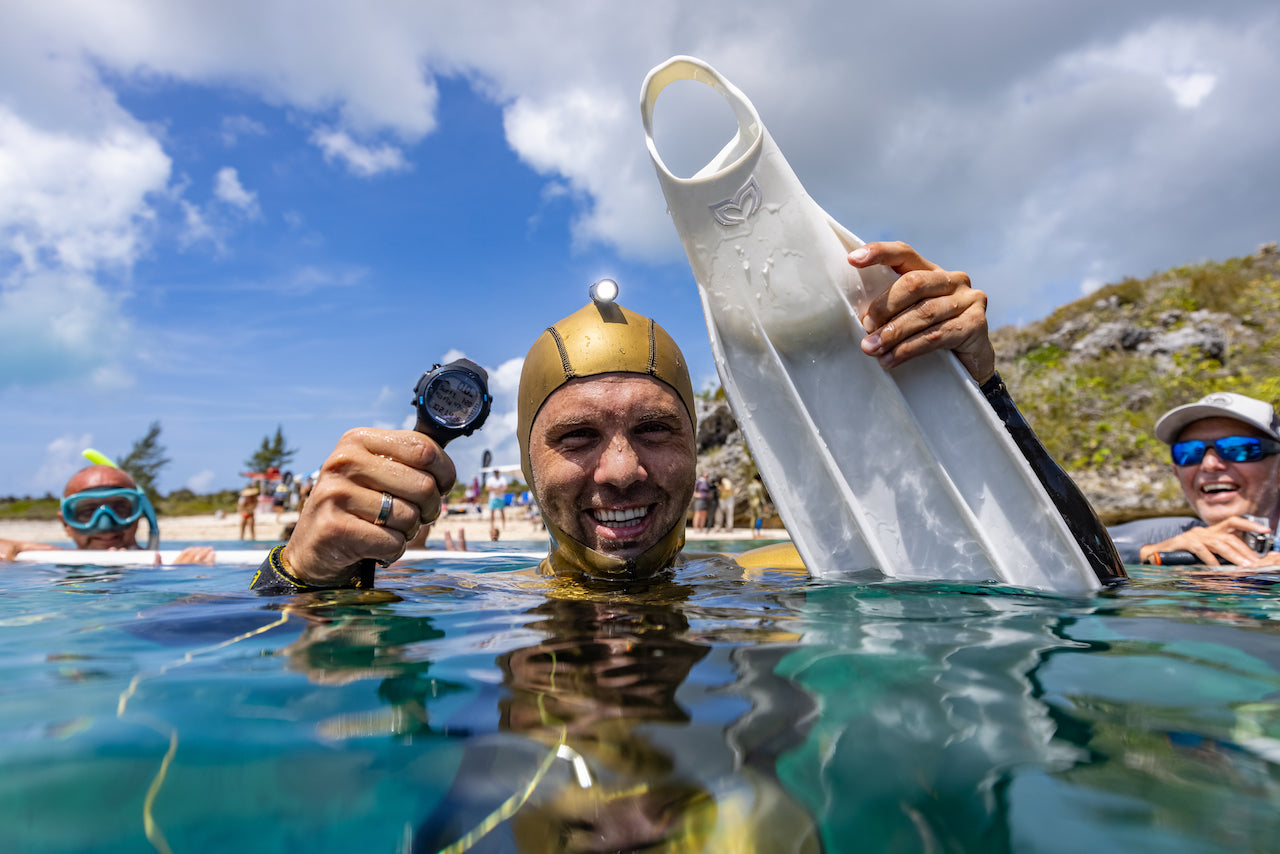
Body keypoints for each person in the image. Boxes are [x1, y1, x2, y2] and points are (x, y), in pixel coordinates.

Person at [251, 241, 1120, 593]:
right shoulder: (463, 597)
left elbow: (1087, 593)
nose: (623, 470)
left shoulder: (781, 576)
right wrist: (301, 573)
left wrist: (981, 401)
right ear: (524, 463)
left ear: (698, 453)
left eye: (657, 430)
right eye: (578, 437)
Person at [1108, 392, 1280, 567]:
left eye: (1237, 448)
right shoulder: (1178, 535)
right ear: (1177, 472)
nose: (1209, 464)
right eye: (1188, 452)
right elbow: (1084, 545)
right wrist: (1150, 551)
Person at [0, 464, 215, 564]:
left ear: (139, 515)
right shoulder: (56, 562)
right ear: (65, 523)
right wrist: (17, 546)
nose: (105, 523)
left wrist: (186, 577)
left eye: (120, 508)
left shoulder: (174, 566)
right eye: (87, 511)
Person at [747, 473, 769, 539]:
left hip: (751, 502)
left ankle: (753, 533)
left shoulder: (750, 485)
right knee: (759, 517)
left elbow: (748, 496)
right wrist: (765, 504)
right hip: (757, 502)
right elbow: (761, 497)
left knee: (753, 517)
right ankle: (758, 533)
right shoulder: (759, 485)